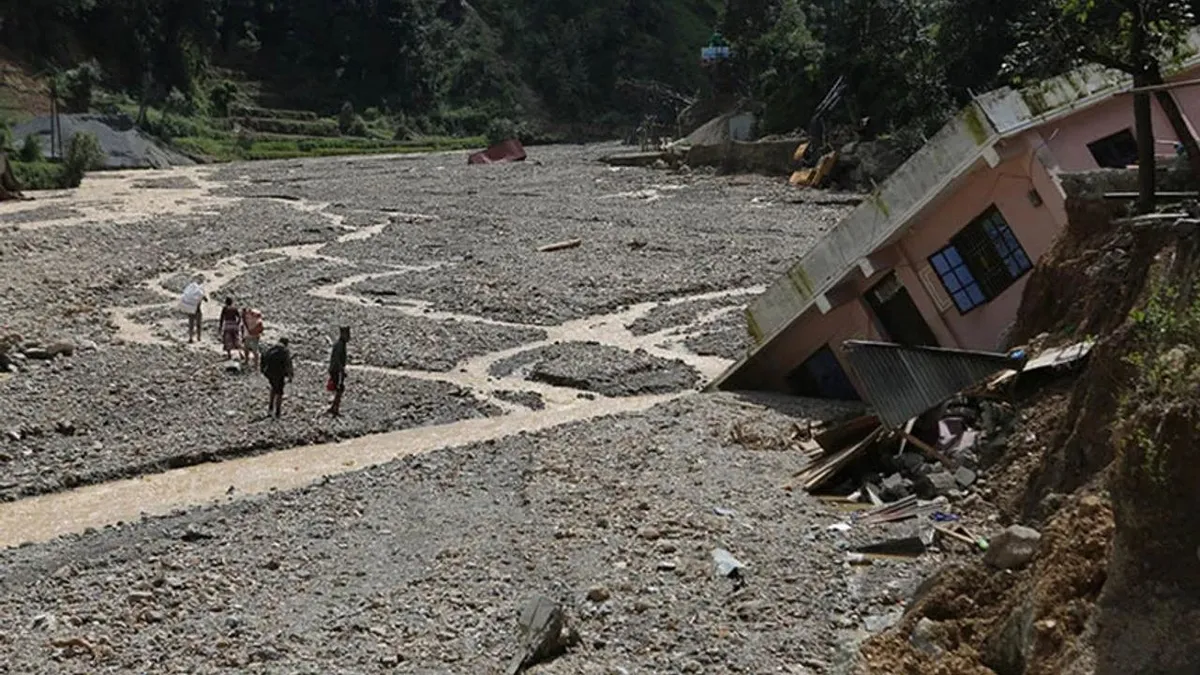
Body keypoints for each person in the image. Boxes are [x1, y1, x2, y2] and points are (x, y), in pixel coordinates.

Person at [260, 337, 294, 419]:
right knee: (279, 392)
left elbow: (264, 358)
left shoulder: (271, 348)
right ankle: (278, 412)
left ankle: (270, 407)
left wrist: (263, 371)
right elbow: (288, 364)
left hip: (269, 372)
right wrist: (290, 375)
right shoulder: (285, 351)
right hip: (279, 373)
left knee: (273, 388)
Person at [326, 326, 350, 417]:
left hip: (336, 369)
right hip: (336, 370)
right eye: (347, 335)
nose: (348, 337)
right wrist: (341, 370)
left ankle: (334, 407)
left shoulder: (341, 344)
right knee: (339, 389)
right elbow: (337, 359)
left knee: (339, 389)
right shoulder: (340, 345)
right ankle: (334, 408)